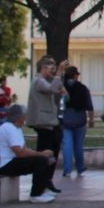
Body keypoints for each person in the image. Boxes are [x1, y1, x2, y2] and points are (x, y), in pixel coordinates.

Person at [0, 104, 56, 202]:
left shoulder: (17, 128)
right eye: (25, 115)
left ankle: (43, 188)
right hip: (4, 165)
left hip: (12, 161)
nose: (26, 117)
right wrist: (42, 154)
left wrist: (42, 153)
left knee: (48, 159)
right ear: (19, 117)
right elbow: (20, 153)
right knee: (41, 161)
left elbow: (24, 149)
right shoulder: (8, 128)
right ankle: (36, 194)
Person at [26, 56, 65, 190]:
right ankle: (40, 185)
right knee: (44, 154)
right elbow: (52, 89)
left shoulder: (44, 81)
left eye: (55, 69)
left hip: (50, 123)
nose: (53, 73)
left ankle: (47, 180)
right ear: (43, 68)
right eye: (51, 69)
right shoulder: (39, 81)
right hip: (44, 124)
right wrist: (59, 72)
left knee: (52, 152)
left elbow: (56, 88)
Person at [59, 65, 94, 180]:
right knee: (79, 145)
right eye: (77, 74)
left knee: (67, 145)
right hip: (80, 118)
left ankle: (67, 170)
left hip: (66, 118)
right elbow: (89, 106)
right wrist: (91, 120)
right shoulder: (83, 88)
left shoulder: (62, 86)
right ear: (75, 75)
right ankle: (80, 168)